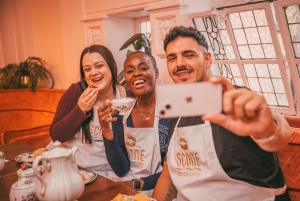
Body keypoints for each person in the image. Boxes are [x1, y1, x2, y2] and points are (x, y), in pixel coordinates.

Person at [152, 26, 291, 201]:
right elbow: (168, 176)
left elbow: (278, 136)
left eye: (189, 55)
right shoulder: (176, 109)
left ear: (207, 59)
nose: (179, 63)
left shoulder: (235, 100)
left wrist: (268, 128)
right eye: (172, 58)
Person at [97, 51, 170, 195]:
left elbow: (172, 173)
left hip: (157, 187)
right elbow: (121, 169)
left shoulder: (168, 114)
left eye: (143, 68)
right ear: (127, 78)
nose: (136, 73)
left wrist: (136, 184)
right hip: (124, 184)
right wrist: (106, 130)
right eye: (130, 71)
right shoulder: (121, 115)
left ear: (156, 72)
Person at [49, 45, 126, 177]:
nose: (93, 72)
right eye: (87, 69)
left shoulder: (127, 98)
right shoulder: (76, 92)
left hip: (110, 172)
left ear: (113, 67)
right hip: (72, 168)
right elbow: (57, 136)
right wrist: (80, 109)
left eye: (99, 66)